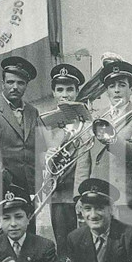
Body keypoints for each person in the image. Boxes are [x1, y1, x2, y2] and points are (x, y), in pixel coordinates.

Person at [73, 59, 132, 222]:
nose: (116, 91)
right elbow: (83, 159)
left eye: (122, 85)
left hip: (126, 198)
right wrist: (79, 196)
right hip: (96, 198)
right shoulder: (95, 117)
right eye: (111, 86)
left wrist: (111, 139)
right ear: (106, 91)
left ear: (131, 89)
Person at [40, 63, 85, 251]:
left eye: (69, 89)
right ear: (53, 92)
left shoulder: (88, 120)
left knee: (84, 243)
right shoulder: (46, 122)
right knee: (63, 245)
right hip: (57, 192)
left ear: (76, 92)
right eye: (60, 90)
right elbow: (37, 156)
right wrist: (46, 157)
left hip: (81, 190)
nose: (64, 94)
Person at [0, 56, 43, 196]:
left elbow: (37, 149)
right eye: (10, 82)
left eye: (20, 83)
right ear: (2, 84)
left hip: (30, 185)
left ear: (26, 86)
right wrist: (6, 179)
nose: (15, 87)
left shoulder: (33, 111)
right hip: (1, 184)